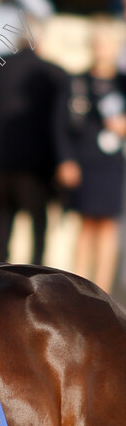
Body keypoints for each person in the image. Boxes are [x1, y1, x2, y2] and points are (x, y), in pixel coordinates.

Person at [0, 22, 79, 265]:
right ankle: (36, 281)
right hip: (34, 166)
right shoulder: (52, 73)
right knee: (38, 227)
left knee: (0, 226)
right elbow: (60, 123)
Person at [66, 18, 126, 293]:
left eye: (108, 44)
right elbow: (63, 124)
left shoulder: (122, 82)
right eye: (98, 44)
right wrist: (67, 160)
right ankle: (79, 288)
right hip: (86, 160)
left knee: (108, 224)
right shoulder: (78, 81)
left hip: (113, 162)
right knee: (86, 222)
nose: (103, 49)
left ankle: (102, 290)